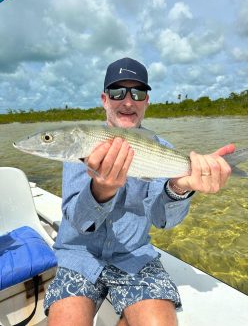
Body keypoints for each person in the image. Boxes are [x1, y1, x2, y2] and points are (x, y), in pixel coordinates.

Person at [44, 57, 234, 326]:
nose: (128, 101)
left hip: (134, 257)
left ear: (147, 101)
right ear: (104, 99)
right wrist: (102, 190)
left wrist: (180, 185)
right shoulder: (82, 143)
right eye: (118, 92)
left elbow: (162, 219)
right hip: (79, 254)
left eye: (138, 92)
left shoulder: (161, 149)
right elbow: (78, 220)